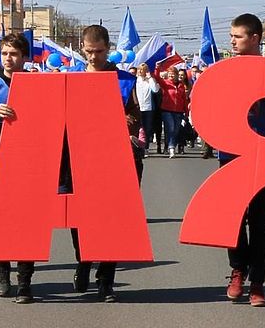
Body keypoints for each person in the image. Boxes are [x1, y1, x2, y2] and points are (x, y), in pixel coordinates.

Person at [218, 13, 265, 308]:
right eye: (231, 36)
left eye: (237, 36)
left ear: (255, 38)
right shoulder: (224, 71)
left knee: (260, 223)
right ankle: (237, 270)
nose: (233, 41)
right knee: (233, 218)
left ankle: (258, 284)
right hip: (232, 156)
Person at [67, 25, 143, 302]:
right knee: (78, 218)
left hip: (115, 159)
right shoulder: (71, 77)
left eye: (98, 52)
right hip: (78, 158)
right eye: (88, 52)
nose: (93, 57)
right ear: (82, 48)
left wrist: (127, 121)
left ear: (108, 49)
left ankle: (106, 280)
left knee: (112, 220)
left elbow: (136, 116)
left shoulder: (124, 80)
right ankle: (84, 260)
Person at [0, 32, 36, 303]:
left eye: (14, 54)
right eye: (4, 54)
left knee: (28, 223)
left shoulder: (37, 85)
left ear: (24, 57)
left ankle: (25, 280)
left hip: (30, 164)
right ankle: (2, 272)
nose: (9, 59)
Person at [154, 66, 188, 158]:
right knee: (171, 128)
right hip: (167, 110)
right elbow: (156, 78)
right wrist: (157, 68)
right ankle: (171, 148)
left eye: (173, 73)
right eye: (169, 73)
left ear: (176, 75)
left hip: (178, 111)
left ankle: (171, 145)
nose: (171, 75)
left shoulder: (181, 85)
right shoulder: (165, 83)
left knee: (176, 130)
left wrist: (186, 112)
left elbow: (184, 99)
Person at [134, 63, 160, 155]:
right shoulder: (136, 80)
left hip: (148, 108)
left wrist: (150, 78)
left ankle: (146, 147)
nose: (140, 71)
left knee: (147, 129)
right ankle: (139, 146)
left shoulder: (149, 81)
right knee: (139, 128)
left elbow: (155, 89)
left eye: (143, 69)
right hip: (138, 108)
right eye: (139, 69)